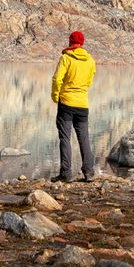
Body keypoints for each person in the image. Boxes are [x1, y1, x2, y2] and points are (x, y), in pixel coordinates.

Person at [51, 30, 96, 182]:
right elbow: (90, 80)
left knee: (65, 137)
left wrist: (55, 96)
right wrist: (81, 91)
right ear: (82, 43)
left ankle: (66, 173)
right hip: (83, 104)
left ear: (70, 42)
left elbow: (57, 79)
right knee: (84, 138)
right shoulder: (90, 60)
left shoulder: (66, 58)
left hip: (67, 103)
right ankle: (89, 172)